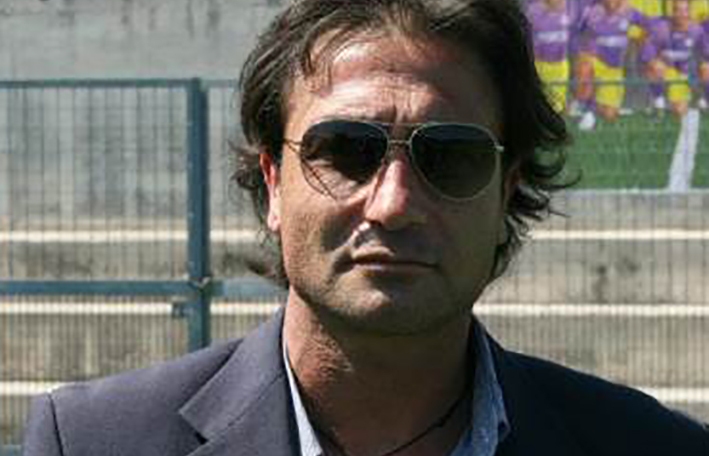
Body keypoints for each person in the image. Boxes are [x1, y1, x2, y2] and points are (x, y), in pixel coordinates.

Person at [22, 0, 709, 455]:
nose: (393, 203)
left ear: (507, 192)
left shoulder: (650, 447)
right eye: (346, 150)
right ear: (272, 183)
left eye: (450, 156)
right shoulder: (90, 442)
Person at [574, 0, 652, 130]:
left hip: (614, 69)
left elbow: (649, 25)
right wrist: (583, 52)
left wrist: (639, 38)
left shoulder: (630, 12)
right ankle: (588, 109)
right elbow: (577, 32)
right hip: (596, 61)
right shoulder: (592, 11)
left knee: (610, 115)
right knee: (585, 68)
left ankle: (591, 105)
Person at [642, 0, 706, 116]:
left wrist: (701, 68)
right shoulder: (661, 28)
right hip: (666, 71)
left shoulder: (697, 30)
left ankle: (700, 98)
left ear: (689, 12)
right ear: (673, 12)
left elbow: (706, 52)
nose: (681, 14)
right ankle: (658, 101)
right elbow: (647, 54)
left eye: (685, 10)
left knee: (680, 111)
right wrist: (654, 63)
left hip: (686, 73)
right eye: (678, 10)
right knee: (655, 66)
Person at [526, 0, 573, 113]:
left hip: (560, 65)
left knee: (557, 106)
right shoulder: (533, 11)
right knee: (540, 104)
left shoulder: (570, 7)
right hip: (540, 64)